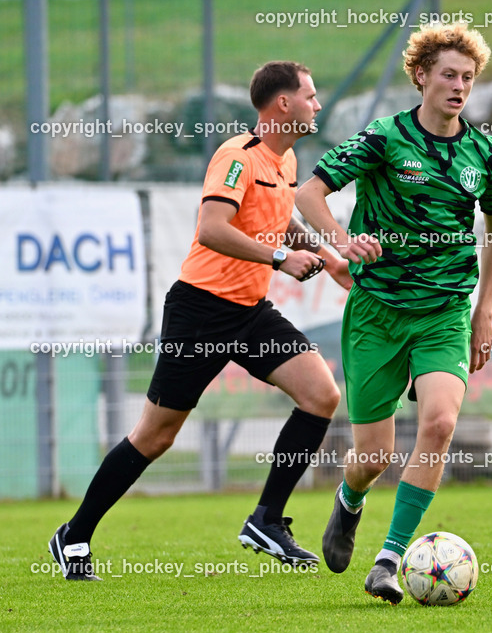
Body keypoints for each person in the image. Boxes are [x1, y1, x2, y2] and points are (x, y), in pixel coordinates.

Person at [49, 61, 349, 580]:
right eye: (310, 95)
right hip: (200, 311)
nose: (317, 105)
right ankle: (73, 535)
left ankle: (266, 520)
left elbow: (281, 219)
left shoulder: (288, 159)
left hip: (250, 312)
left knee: (322, 394)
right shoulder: (236, 156)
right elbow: (212, 228)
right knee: (155, 436)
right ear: (283, 104)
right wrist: (279, 260)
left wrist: (326, 254)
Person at [294, 23, 492, 605]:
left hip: (444, 313)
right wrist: (341, 240)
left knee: (440, 423)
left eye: (468, 77)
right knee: (372, 457)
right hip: (377, 312)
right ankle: (349, 502)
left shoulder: (485, 152)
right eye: (448, 75)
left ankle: (389, 560)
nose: (459, 86)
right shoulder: (385, 138)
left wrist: (484, 312)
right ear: (421, 76)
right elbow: (307, 194)